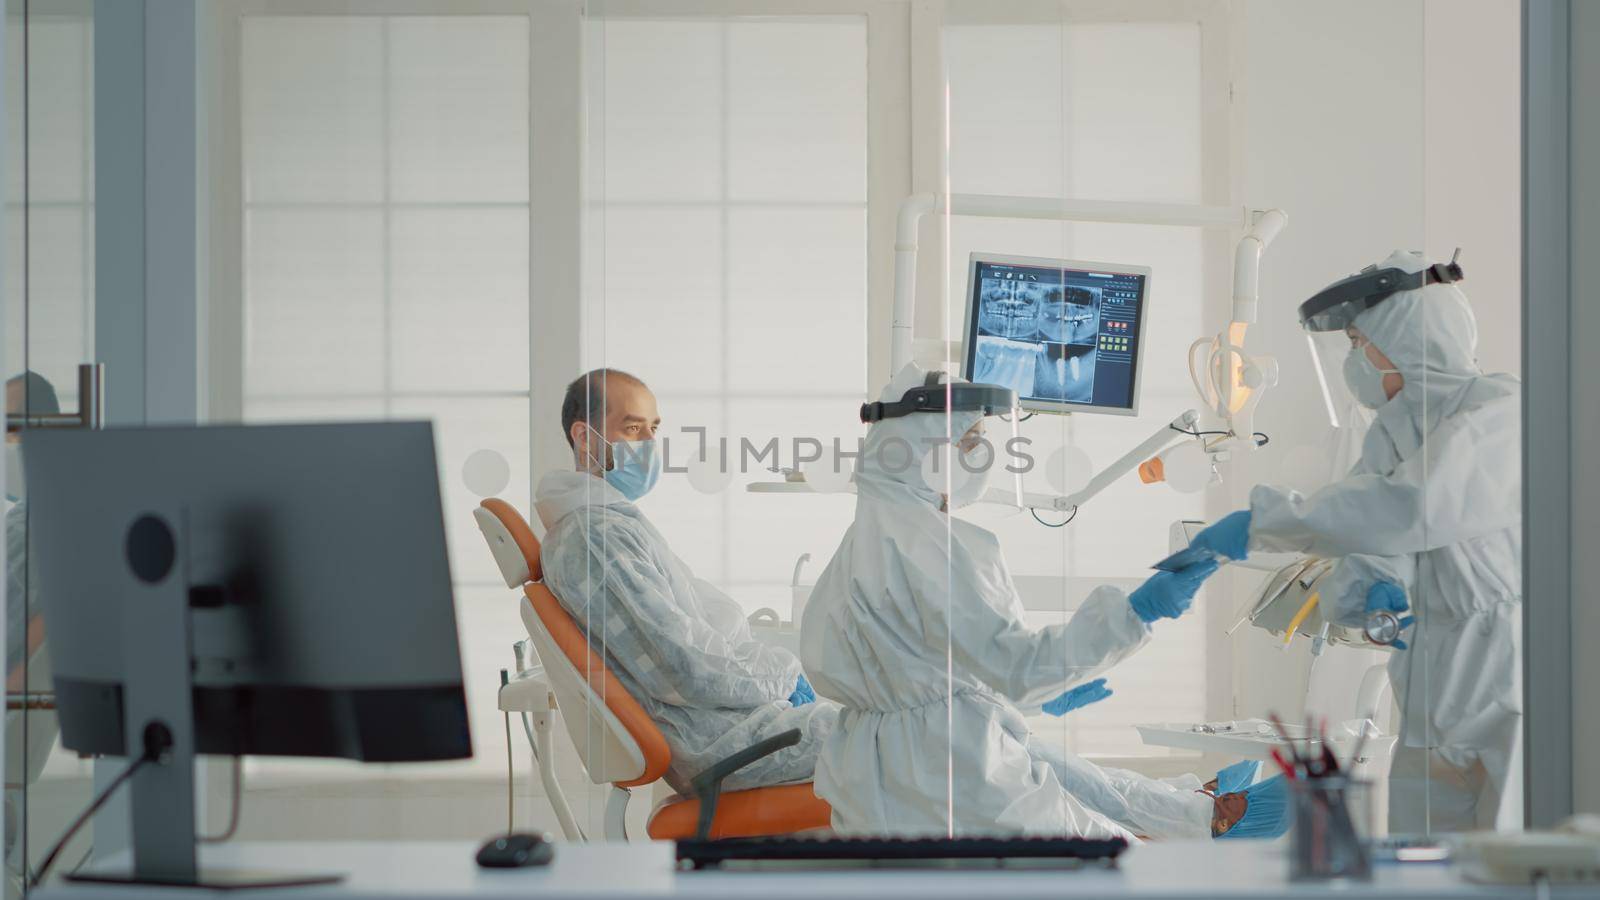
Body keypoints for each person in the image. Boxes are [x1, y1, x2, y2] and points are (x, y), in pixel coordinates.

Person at [799, 362, 1283, 840]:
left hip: (887, 773)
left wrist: (1008, 691)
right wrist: (1140, 610)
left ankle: (1199, 811)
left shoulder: (867, 535)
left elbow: (917, 667)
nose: (979, 457)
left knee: (1085, 792)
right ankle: (1213, 819)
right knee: (1122, 862)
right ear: (927, 450)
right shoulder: (934, 545)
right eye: (969, 443)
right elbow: (1020, 670)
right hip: (955, 774)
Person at [1186, 250, 1521, 833]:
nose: (1353, 363)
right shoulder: (1394, 434)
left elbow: (1414, 507)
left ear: (1412, 343)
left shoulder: (1499, 412)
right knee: (1423, 865)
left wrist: (1264, 520)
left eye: (1359, 346)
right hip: (1426, 686)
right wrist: (1366, 591)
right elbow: (1372, 544)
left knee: (1512, 860)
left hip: (1506, 680)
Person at [535, 369, 835, 796]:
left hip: (737, 729)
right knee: (904, 738)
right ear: (585, 438)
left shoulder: (609, 524)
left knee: (893, 728)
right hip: (728, 745)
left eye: (653, 429)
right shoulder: (595, 538)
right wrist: (784, 673)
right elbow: (685, 668)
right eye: (632, 428)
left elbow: (691, 638)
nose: (649, 445)